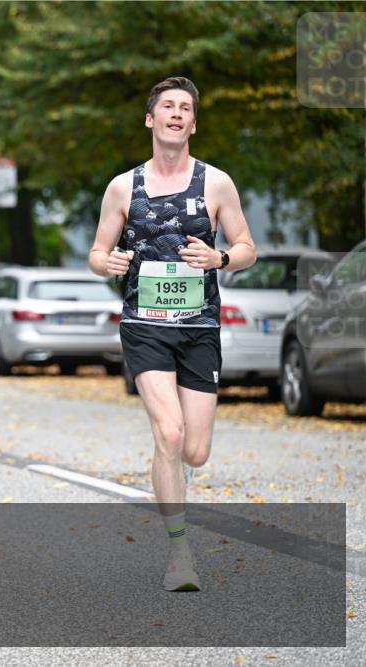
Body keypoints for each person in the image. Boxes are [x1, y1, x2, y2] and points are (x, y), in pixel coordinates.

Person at [89, 76, 256, 592]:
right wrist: (109, 263)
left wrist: (220, 257)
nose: (177, 114)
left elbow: (247, 246)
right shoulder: (123, 187)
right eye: (168, 107)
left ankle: (167, 466)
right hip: (145, 327)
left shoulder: (216, 184)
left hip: (200, 326)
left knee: (195, 451)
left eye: (186, 108)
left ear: (194, 124)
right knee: (171, 433)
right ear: (151, 119)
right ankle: (180, 552)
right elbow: (96, 254)